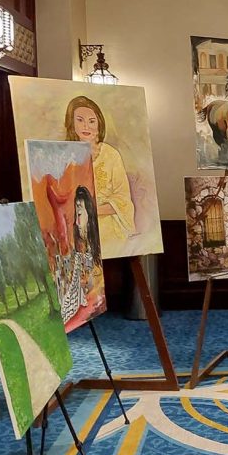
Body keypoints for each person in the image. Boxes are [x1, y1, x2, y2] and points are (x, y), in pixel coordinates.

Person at [64, 96, 136, 241]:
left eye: (92, 121)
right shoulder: (63, 155)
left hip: (107, 228)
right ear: (71, 122)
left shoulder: (111, 154)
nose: (86, 126)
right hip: (72, 227)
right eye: (80, 120)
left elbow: (123, 200)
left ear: (99, 124)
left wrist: (92, 211)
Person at [57, 186, 105, 325]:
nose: (77, 222)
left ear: (89, 214)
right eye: (76, 215)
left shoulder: (95, 243)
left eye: (79, 215)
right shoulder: (78, 242)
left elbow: (92, 280)